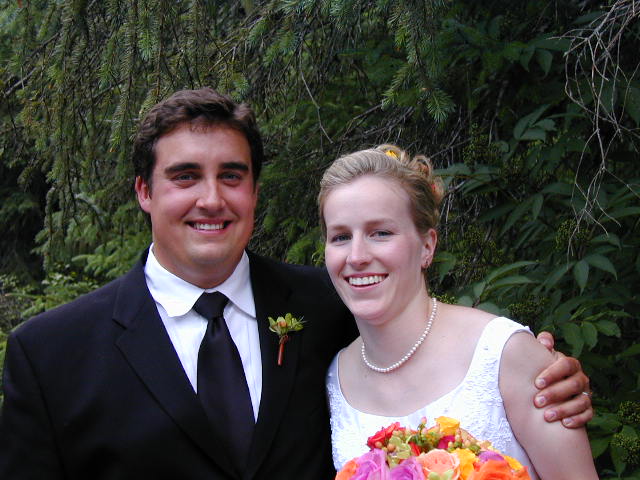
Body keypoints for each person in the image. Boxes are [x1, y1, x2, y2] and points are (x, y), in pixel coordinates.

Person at [0, 89, 591, 480]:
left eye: (232, 176)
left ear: (254, 193)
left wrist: (539, 369)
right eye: (185, 177)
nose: (212, 198)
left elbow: (433, 345)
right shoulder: (51, 354)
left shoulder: (330, 307)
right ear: (145, 192)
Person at [319, 145, 598, 479]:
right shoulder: (334, 377)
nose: (357, 256)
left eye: (381, 233)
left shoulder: (505, 354)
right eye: (341, 237)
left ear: (427, 246)